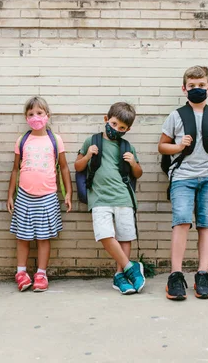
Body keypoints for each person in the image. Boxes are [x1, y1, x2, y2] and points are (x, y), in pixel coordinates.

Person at [158, 66, 208, 300]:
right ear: (184, 88)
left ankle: (202, 274)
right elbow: (162, 146)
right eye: (192, 86)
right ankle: (176, 275)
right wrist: (179, 146)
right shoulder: (176, 116)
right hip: (182, 177)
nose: (197, 89)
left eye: (201, 86)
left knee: (207, 225)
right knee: (181, 222)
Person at [74, 102, 145, 295]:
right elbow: (78, 167)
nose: (116, 129)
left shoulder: (127, 146)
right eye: (114, 124)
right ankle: (131, 267)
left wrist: (132, 163)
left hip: (123, 197)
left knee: (125, 236)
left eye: (122, 128)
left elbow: (137, 174)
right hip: (99, 198)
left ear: (128, 129)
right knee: (105, 234)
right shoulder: (92, 141)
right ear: (106, 119)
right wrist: (88, 155)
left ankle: (120, 276)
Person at [7, 97, 72, 292]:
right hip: (24, 197)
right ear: (26, 118)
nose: (35, 117)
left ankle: (41, 274)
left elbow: (64, 168)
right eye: (31, 114)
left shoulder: (55, 140)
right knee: (23, 237)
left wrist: (68, 192)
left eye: (39, 113)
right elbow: (15, 170)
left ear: (47, 116)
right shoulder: (23, 140)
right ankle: (21, 272)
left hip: (48, 196)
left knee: (44, 238)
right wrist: (10, 195)